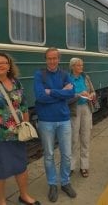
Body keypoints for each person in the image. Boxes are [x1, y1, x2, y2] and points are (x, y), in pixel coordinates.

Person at [0, 53, 39, 205]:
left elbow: (24, 107)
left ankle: (24, 195)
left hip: (17, 134)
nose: (1, 65)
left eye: (4, 63)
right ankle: (1, 200)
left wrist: (25, 125)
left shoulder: (16, 83)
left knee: (21, 166)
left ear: (9, 66)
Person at [33, 47, 76, 203]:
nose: (52, 61)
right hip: (46, 120)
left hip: (63, 119)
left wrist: (51, 91)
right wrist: (60, 92)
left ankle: (65, 182)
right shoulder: (39, 74)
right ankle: (52, 184)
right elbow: (40, 96)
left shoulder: (65, 74)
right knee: (49, 155)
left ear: (59, 59)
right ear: (46, 60)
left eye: (54, 58)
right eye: (49, 58)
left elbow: (71, 94)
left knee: (66, 154)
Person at [68, 57, 96, 178]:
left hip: (86, 108)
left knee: (85, 138)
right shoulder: (68, 79)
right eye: (79, 65)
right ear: (73, 66)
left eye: (82, 65)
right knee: (73, 139)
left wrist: (91, 95)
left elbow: (93, 91)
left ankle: (84, 166)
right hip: (74, 111)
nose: (81, 67)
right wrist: (79, 95)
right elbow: (67, 97)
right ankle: (71, 166)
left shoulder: (85, 77)